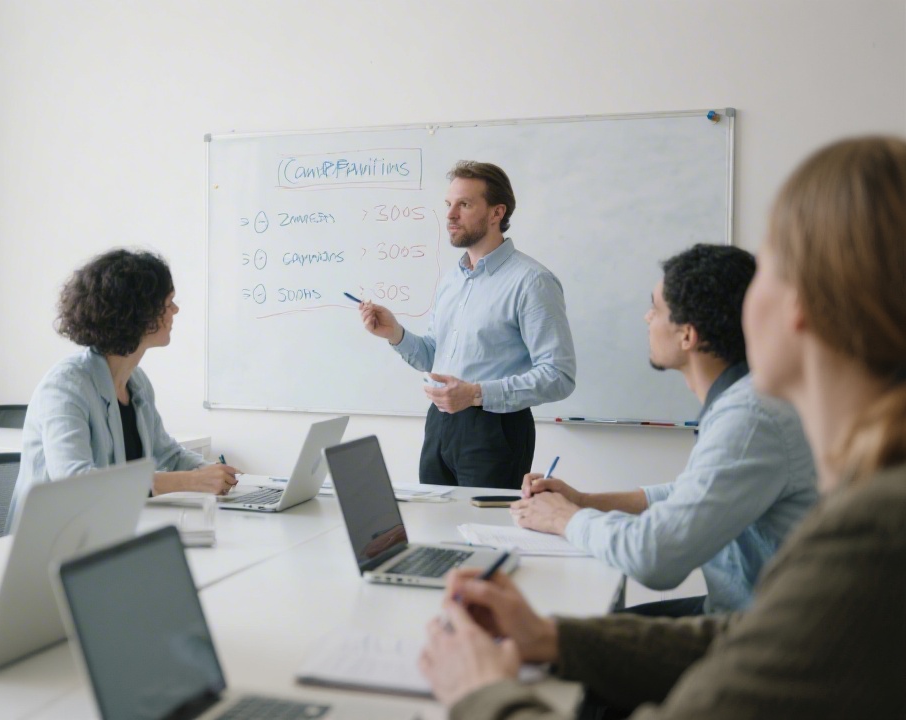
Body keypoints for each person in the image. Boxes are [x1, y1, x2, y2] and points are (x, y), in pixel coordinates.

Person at [418, 136, 906, 719]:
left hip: (491, 427)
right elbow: (744, 612)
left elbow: (667, 563)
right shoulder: (834, 462)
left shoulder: (867, 518)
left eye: (767, 271)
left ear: (801, 303)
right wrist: (556, 634)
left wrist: (483, 697)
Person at [508, 244, 817, 616]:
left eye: (655, 308)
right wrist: (583, 501)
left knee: (569, 634)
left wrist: (563, 518)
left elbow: (654, 558)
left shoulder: (750, 418)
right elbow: (691, 493)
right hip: (741, 609)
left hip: (760, 631)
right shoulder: (747, 399)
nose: (646, 318)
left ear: (687, 335)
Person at [359, 161, 575, 489]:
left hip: (496, 428)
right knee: (436, 526)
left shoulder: (532, 282)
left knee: (485, 531)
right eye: (449, 204)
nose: (450, 215)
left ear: (496, 213)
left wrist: (476, 394)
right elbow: (435, 357)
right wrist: (396, 335)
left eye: (465, 204)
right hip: (440, 425)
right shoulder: (451, 281)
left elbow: (559, 376)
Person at [8, 249, 238, 525]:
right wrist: (189, 481)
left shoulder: (136, 382)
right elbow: (74, 483)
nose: (175, 310)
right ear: (138, 313)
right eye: (168, 302)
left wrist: (216, 473)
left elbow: (168, 454)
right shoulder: (64, 387)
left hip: (109, 530)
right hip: (52, 541)